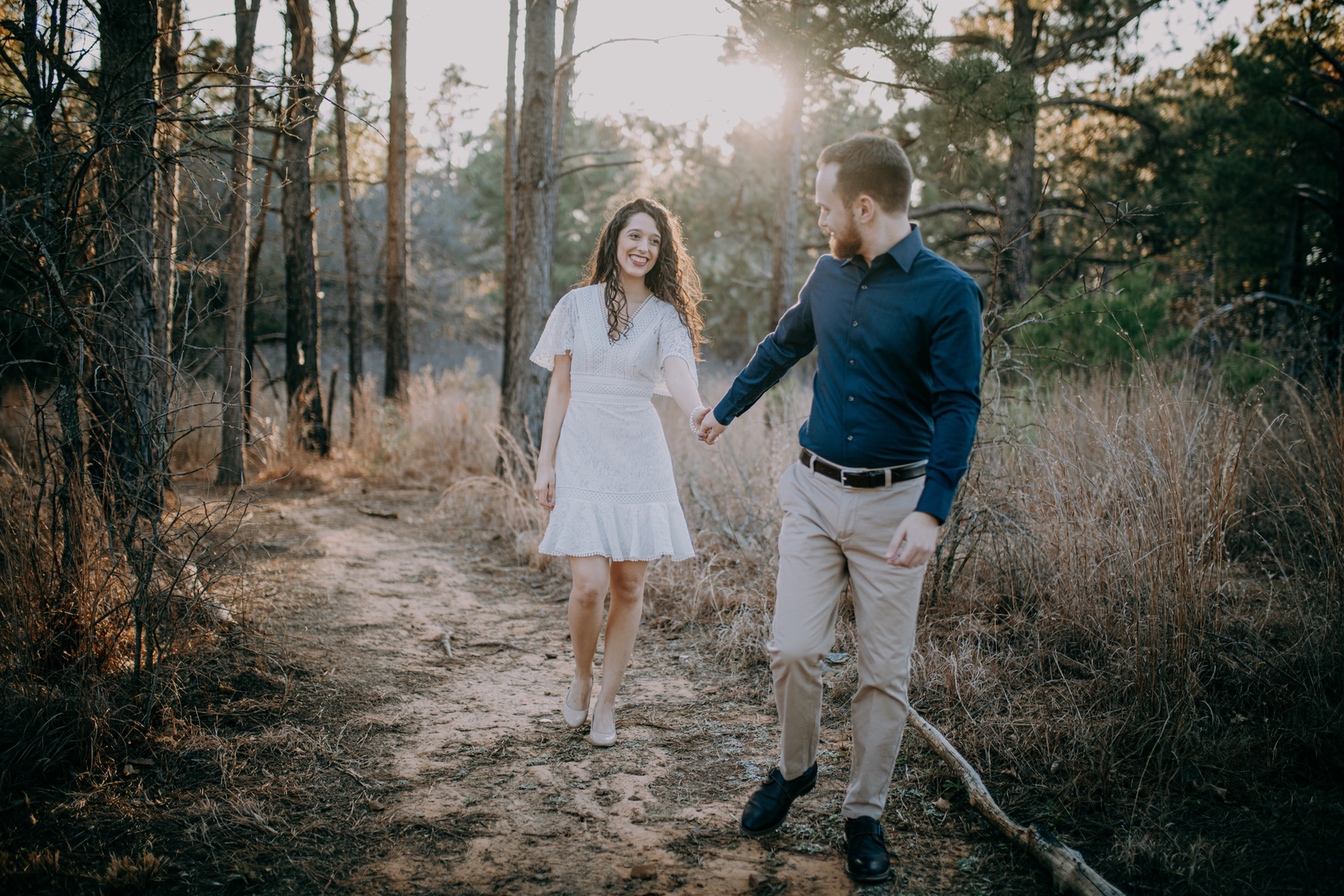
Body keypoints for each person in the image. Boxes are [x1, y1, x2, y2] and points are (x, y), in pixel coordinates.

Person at [694, 134, 983, 882]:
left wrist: (932, 510)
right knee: (793, 648)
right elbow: (783, 344)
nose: (820, 219)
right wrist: (725, 409)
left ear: (863, 205)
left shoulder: (948, 292)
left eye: (826, 207)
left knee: (883, 672)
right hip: (814, 495)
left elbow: (959, 407)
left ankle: (864, 814)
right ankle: (795, 771)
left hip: (896, 506)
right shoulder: (827, 275)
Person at [531, 197, 708, 748]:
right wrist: (545, 461)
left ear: (662, 253)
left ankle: (608, 701)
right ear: (614, 240)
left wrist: (698, 412)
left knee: (629, 586)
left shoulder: (665, 316)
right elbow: (559, 389)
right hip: (582, 449)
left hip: (639, 454)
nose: (643, 248)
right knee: (588, 586)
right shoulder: (575, 305)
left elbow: (678, 374)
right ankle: (582, 676)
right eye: (635, 236)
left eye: (654, 241)